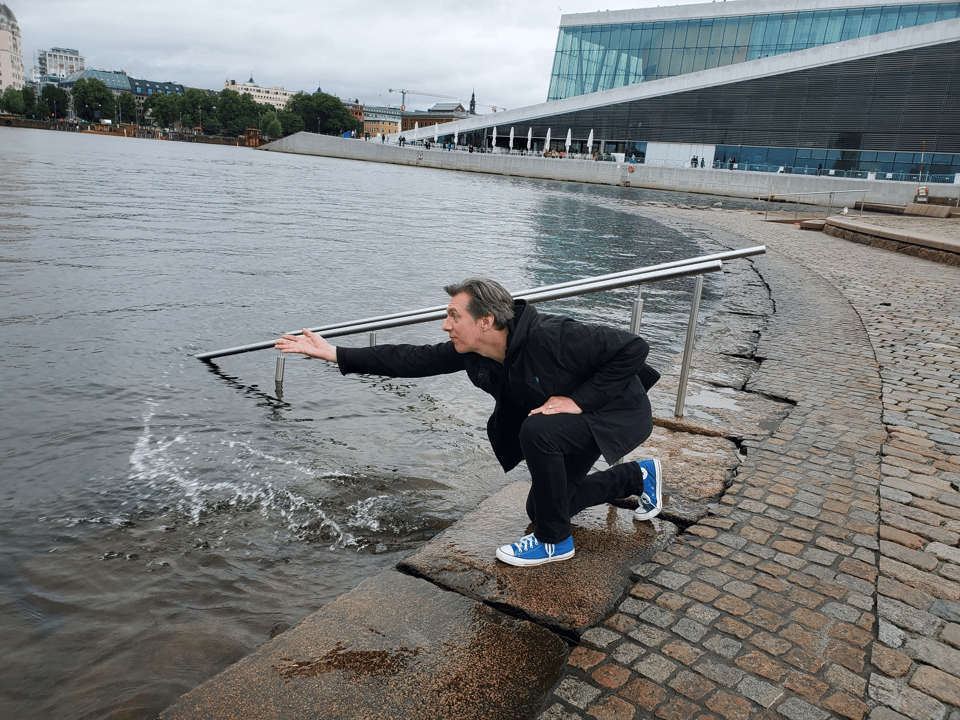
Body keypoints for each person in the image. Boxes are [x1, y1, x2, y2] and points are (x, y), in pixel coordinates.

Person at [274, 278, 663, 568]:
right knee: (542, 506)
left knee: (536, 433)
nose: (446, 325)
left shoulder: (552, 336)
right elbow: (412, 359)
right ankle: (638, 478)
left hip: (617, 411)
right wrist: (337, 353)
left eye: (453, 316)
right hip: (566, 422)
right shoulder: (475, 352)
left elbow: (633, 347)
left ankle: (554, 542)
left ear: (486, 320)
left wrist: (578, 401)